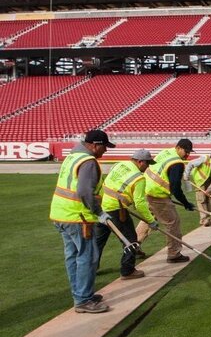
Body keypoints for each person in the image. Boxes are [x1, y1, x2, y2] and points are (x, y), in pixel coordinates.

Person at [49, 129, 115, 314]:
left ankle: (80, 294)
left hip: (61, 214)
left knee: (73, 256)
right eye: (104, 147)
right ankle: (84, 299)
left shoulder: (73, 157)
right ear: (95, 145)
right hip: (78, 217)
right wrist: (99, 212)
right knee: (88, 257)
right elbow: (85, 192)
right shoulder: (88, 162)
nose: (105, 151)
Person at [96, 149, 158, 280]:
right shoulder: (139, 178)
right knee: (131, 240)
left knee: (98, 241)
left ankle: (91, 268)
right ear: (140, 162)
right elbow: (140, 203)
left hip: (102, 208)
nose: (148, 167)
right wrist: (151, 221)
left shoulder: (120, 164)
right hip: (117, 211)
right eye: (147, 164)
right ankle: (127, 270)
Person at [136, 138, 196, 263]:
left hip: (147, 190)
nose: (188, 155)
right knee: (172, 222)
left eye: (190, 152)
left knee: (148, 220)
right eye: (186, 151)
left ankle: (134, 247)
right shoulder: (177, 163)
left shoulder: (166, 152)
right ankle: (174, 254)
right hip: (158, 195)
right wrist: (186, 203)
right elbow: (175, 188)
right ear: (178, 148)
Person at [184, 150, 211, 226]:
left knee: (210, 200)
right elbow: (190, 164)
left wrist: (209, 189)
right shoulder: (205, 158)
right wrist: (186, 175)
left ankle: (208, 218)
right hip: (200, 182)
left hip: (210, 183)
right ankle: (204, 219)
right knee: (202, 200)